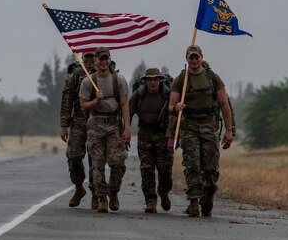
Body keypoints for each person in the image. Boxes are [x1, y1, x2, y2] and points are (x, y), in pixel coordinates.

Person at [168, 45, 234, 217]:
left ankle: (208, 196)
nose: (194, 60)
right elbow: (170, 107)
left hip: (209, 126)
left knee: (210, 168)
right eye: (191, 57)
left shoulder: (212, 78)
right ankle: (193, 201)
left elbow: (224, 104)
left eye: (197, 57)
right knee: (192, 165)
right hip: (189, 126)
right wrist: (177, 108)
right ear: (187, 59)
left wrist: (229, 130)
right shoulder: (181, 80)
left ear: (202, 58)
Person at [79, 47, 131, 213]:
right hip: (95, 125)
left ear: (109, 60)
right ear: (95, 60)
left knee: (118, 161)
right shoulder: (88, 81)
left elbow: (124, 104)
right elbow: (83, 107)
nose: (103, 62)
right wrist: (96, 100)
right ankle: (101, 197)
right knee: (97, 163)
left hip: (114, 124)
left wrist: (127, 129)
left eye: (105, 59)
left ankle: (113, 191)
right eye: (100, 59)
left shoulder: (119, 80)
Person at [129, 68, 173, 213]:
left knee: (165, 169)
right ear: (145, 81)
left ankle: (164, 192)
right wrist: (126, 132)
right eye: (149, 79)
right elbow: (128, 112)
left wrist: (174, 137)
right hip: (145, 134)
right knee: (146, 169)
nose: (153, 82)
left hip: (163, 135)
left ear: (160, 80)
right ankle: (150, 201)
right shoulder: (139, 95)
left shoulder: (168, 95)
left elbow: (176, 117)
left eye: (155, 79)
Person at [60, 51, 97, 209]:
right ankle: (78, 187)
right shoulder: (74, 77)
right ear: (82, 58)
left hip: (97, 122)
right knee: (74, 156)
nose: (89, 59)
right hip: (78, 122)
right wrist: (64, 125)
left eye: (92, 56)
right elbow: (66, 101)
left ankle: (96, 194)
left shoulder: (104, 75)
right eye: (86, 56)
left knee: (96, 159)